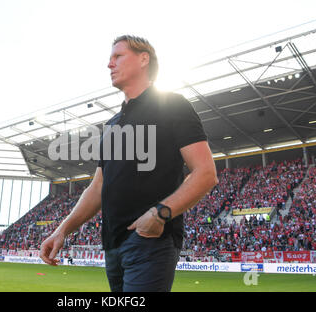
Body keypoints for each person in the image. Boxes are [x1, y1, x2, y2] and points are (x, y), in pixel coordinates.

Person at [40, 35, 218, 292]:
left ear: (144, 59)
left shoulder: (172, 105)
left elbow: (205, 173)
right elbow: (98, 187)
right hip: (112, 245)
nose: (109, 64)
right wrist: (62, 230)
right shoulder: (112, 125)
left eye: (118, 56)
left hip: (150, 240)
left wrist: (159, 214)